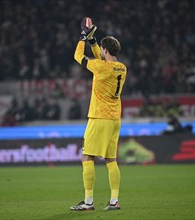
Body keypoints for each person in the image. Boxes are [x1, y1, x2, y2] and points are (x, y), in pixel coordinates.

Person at [70, 17, 127, 211]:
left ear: (105, 51)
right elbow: (102, 59)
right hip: (114, 118)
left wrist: (83, 37)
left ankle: (88, 202)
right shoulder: (121, 68)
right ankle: (114, 201)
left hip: (99, 116)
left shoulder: (100, 67)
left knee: (87, 158)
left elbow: (78, 56)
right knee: (111, 160)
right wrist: (94, 41)